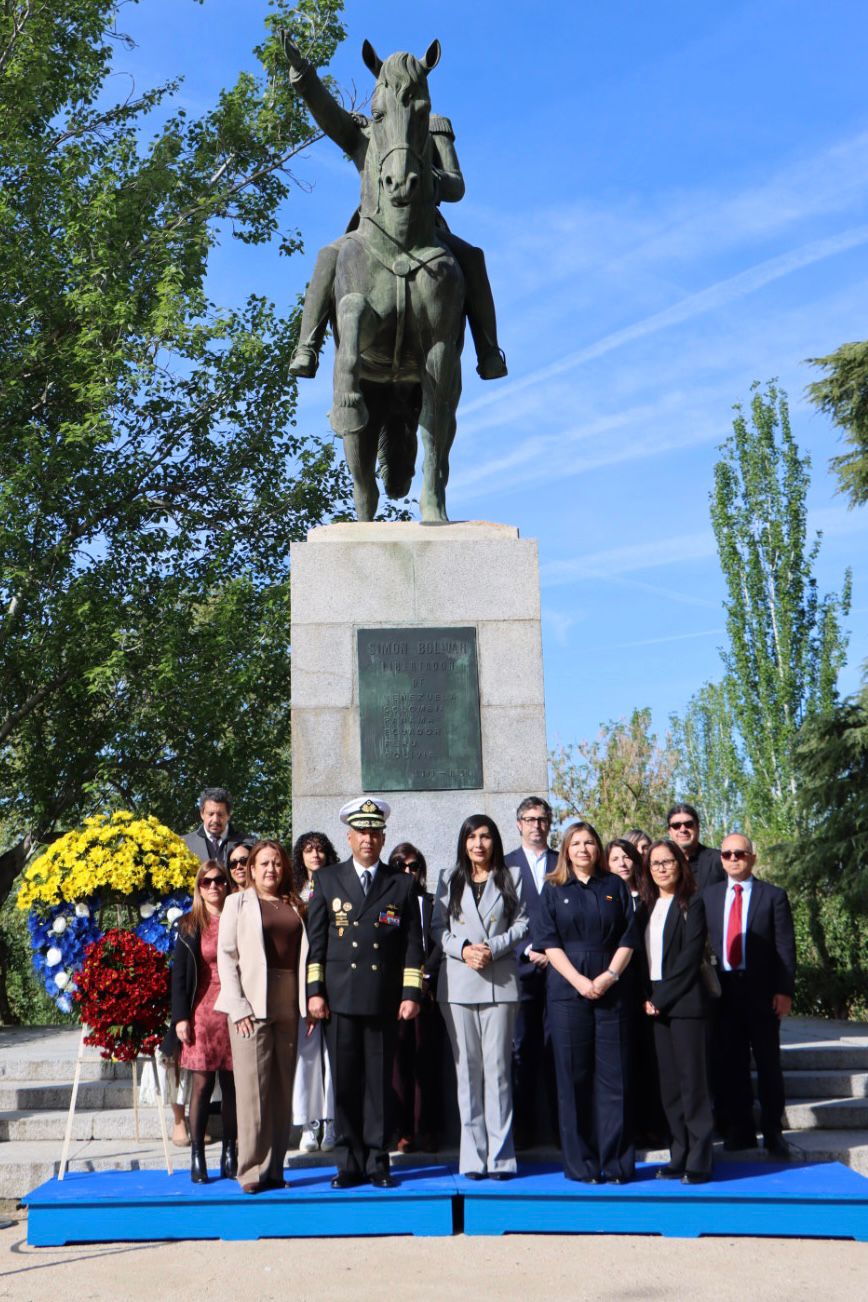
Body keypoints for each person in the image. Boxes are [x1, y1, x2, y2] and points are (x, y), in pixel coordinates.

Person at [280, 33, 507, 383]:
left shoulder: (435, 129)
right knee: (328, 255)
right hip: (371, 231)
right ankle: (307, 346)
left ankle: (489, 350)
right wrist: (303, 73)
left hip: (426, 231)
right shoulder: (363, 135)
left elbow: (457, 186)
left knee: (472, 257)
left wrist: (431, 177)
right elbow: (327, 112)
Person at [305, 798, 424, 1189]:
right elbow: (317, 942)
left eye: (375, 832)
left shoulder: (400, 883)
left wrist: (411, 992)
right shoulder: (327, 879)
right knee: (345, 1083)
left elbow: (412, 945)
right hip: (339, 999)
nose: (368, 840)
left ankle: (377, 1161)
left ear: (383, 836)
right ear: (349, 836)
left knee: (378, 1084)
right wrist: (315, 991)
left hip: (382, 998)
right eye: (361, 833)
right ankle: (348, 1162)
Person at [535, 821, 639, 1184]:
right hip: (568, 992)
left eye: (590, 842)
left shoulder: (614, 886)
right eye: (576, 843)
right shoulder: (552, 889)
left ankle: (617, 1164)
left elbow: (629, 936)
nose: (583, 849)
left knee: (615, 1080)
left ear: (598, 849)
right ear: (565, 850)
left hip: (612, 990)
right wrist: (579, 981)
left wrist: (609, 976)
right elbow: (548, 941)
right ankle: (581, 1164)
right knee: (574, 1079)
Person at [433, 815, 528, 1179]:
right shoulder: (448, 879)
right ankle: (473, 1158)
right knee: (468, 1074)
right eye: (471, 836)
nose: (478, 843)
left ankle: (501, 1158)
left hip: (499, 984)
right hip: (458, 984)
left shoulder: (512, 877)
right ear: (463, 842)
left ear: (495, 841)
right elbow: (438, 928)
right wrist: (464, 949)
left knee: (499, 1072)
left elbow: (522, 923)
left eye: (485, 836)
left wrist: (494, 946)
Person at [216, 839, 307, 1193]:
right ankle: (251, 1170)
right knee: (253, 1091)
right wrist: (237, 1006)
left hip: (288, 1000)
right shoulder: (235, 903)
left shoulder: (294, 905)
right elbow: (227, 957)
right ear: (251, 870)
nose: (271, 869)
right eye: (264, 863)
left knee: (282, 1089)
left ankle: (274, 1169)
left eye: (277, 863)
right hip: (250, 1005)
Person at [704, 833, 796, 1159]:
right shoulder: (709, 897)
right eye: (727, 854)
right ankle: (740, 1130)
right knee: (732, 1064)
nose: (733, 859)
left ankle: (773, 1132)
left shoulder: (773, 896)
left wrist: (784, 990)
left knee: (769, 1063)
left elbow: (785, 948)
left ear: (752, 857)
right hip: (723, 992)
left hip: (761, 992)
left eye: (739, 853)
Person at [640, 839, 714, 1184]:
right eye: (655, 863)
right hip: (654, 1005)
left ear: (679, 865)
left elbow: (688, 959)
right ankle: (679, 1153)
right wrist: (646, 996)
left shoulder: (693, 902)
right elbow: (638, 957)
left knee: (692, 1084)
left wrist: (661, 997)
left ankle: (700, 1157)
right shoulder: (645, 905)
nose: (662, 868)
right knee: (669, 1088)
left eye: (667, 861)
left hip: (683, 1004)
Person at [167, 860, 237, 1183]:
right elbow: (178, 976)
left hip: (236, 1010)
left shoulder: (240, 919)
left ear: (227, 884)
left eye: (219, 880)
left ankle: (231, 1152)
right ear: (198, 887)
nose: (213, 886)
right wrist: (180, 1017)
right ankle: (197, 1153)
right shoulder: (188, 925)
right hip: (202, 1013)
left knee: (233, 1086)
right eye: (206, 881)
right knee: (202, 1085)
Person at [504, 796, 559, 1149]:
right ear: (519, 823)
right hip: (519, 969)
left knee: (557, 1049)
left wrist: (552, 952)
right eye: (529, 819)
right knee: (521, 1050)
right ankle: (523, 1132)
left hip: (559, 970)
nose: (536, 825)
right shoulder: (504, 865)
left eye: (542, 819)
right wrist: (526, 948)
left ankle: (558, 1130)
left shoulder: (563, 862)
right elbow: (498, 917)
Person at [606, 838, 666, 1148]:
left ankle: (653, 1125)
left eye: (626, 857)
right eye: (615, 858)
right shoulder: (603, 897)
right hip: (614, 988)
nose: (622, 863)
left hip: (647, 986)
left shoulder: (649, 898)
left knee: (648, 1061)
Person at [389, 842, 443, 1153]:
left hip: (428, 992)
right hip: (396, 993)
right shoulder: (387, 903)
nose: (408, 872)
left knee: (426, 1062)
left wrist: (427, 977)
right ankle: (403, 1130)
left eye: (413, 866)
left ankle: (427, 1130)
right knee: (399, 1064)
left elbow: (438, 943)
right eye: (401, 866)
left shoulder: (432, 902)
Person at [290, 831, 339, 1154]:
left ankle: (333, 1122)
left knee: (333, 1056)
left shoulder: (338, 885)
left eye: (321, 850)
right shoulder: (291, 893)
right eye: (309, 850)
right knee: (307, 1056)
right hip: (300, 981)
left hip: (333, 979)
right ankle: (309, 1124)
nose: (316, 855)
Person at [665, 803, 725, 892]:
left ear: (698, 827)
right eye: (676, 826)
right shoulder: (662, 865)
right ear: (669, 831)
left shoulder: (719, 860)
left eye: (688, 824)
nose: (683, 830)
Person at [182, 787, 244, 866]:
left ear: (229, 815)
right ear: (202, 814)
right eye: (210, 814)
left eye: (220, 814)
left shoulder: (249, 844)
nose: (215, 820)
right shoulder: (184, 844)